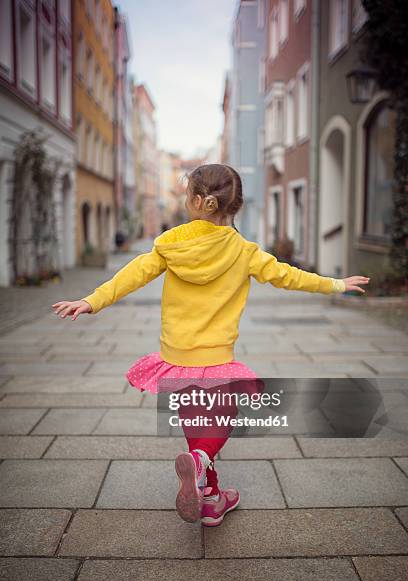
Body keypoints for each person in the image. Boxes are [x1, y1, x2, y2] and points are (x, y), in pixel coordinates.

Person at [51, 163, 370, 527]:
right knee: (220, 419)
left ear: (196, 201)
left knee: (195, 424)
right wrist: (335, 284)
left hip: (176, 356)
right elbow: (289, 276)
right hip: (217, 357)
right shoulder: (245, 251)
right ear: (234, 206)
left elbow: (132, 274)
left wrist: (92, 300)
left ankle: (212, 500)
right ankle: (201, 463)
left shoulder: (171, 245)